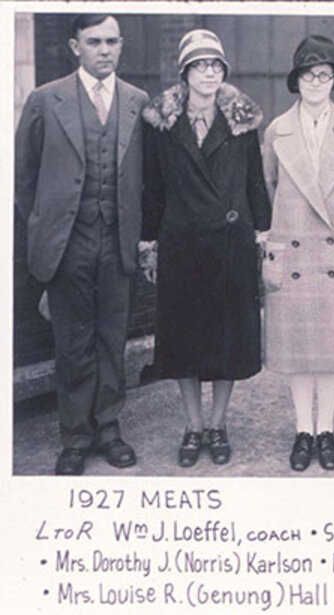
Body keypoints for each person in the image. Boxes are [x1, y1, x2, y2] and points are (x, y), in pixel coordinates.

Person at [15, 14, 148, 475]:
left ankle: (109, 428)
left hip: (117, 241)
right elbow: (24, 176)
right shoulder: (45, 100)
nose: (105, 50)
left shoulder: (137, 101)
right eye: (94, 42)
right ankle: (74, 436)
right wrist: (46, 227)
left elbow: (144, 178)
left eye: (112, 41)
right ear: (75, 46)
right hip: (67, 243)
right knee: (72, 342)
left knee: (112, 338)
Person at [140, 29, 271, 467]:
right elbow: (152, 187)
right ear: (185, 73)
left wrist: (263, 232)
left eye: (215, 65)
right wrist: (149, 242)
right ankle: (193, 426)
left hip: (230, 243)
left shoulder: (242, 120)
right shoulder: (161, 123)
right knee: (184, 341)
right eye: (199, 65)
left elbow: (255, 181)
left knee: (227, 342)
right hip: (181, 244)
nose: (208, 73)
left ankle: (218, 424)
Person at [262, 36, 334, 471]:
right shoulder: (275, 131)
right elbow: (269, 188)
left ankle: (326, 429)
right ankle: (302, 430)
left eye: (324, 75)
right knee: (298, 350)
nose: (316, 83)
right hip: (293, 249)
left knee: (331, 351)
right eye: (308, 75)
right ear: (297, 82)